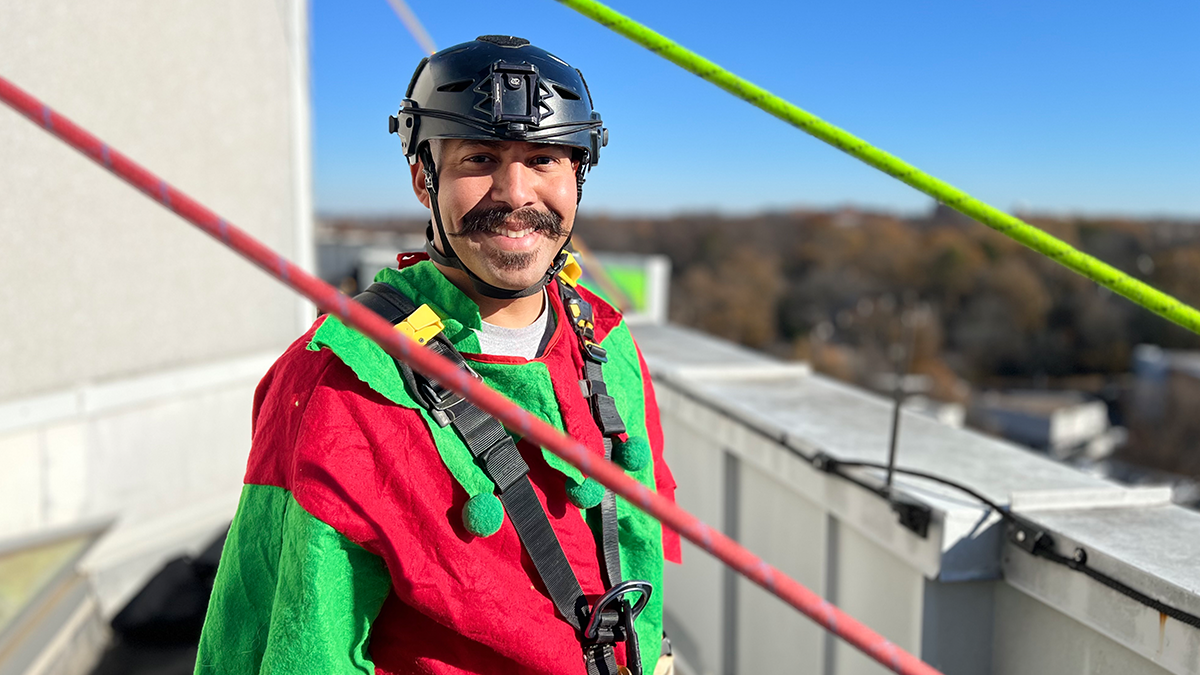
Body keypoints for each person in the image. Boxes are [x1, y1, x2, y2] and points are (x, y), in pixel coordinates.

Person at [195, 35, 680, 675]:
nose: (515, 193)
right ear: (427, 180)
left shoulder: (603, 341)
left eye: (543, 161)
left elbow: (638, 541)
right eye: (480, 158)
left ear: (577, 176)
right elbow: (289, 639)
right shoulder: (340, 380)